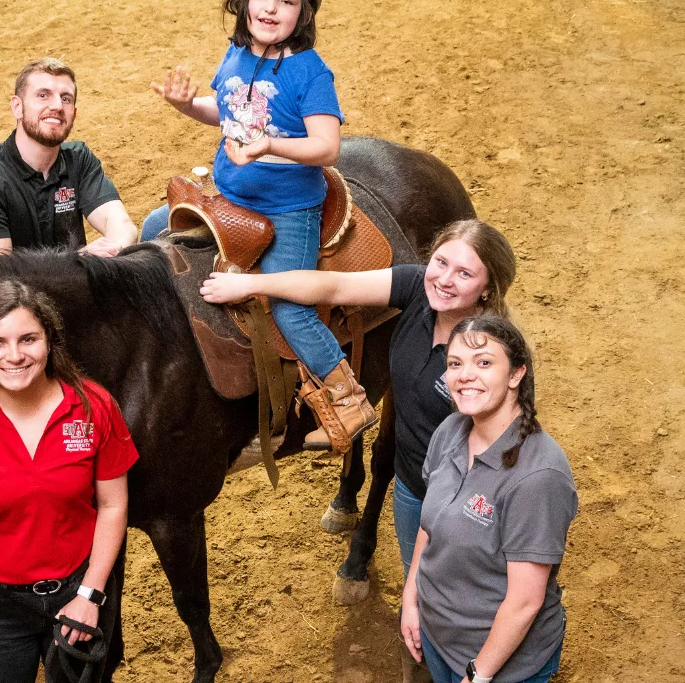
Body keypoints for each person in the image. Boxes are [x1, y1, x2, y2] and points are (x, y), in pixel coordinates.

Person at [148, 0, 375, 451]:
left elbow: (326, 146)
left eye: (287, 1)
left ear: (304, 13)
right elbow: (226, 113)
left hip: (288, 206)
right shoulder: (236, 54)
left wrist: (271, 142)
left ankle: (346, 397)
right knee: (150, 230)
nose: (270, 9)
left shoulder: (311, 73)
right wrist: (189, 106)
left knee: (291, 304)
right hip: (228, 193)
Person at [200, 219, 516, 567]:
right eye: (440, 262)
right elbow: (332, 287)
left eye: (464, 274)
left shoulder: (491, 357)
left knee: (460, 595)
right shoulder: (417, 289)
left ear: (487, 289)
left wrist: (467, 513)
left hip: (462, 498)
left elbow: (502, 453)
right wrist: (249, 284)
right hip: (410, 484)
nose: (444, 279)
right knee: (419, 581)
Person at [0, 279, 139, 683]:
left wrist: (90, 595)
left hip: (77, 593)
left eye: (28, 339)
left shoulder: (93, 406)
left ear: (49, 340)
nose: (14, 356)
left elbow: (113, 505)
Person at [400, 316, 574, 683]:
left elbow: (525, 602)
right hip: (437, 636)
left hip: (495, 663)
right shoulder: (449, 432)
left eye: (483, 363)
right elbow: (429, 526)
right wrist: (411, 599)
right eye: (454, 363)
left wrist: (478, 675)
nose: (464, 375)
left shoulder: (538, 477)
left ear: (515, 375)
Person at [0, 57, 140, 257]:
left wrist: (113, 249)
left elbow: (123, 226)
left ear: (74, 114)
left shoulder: (79, 160)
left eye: (66, 98)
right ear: (17, 107)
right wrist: (79, 262)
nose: (57, 105)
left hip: (78, 283)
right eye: (43, 95)